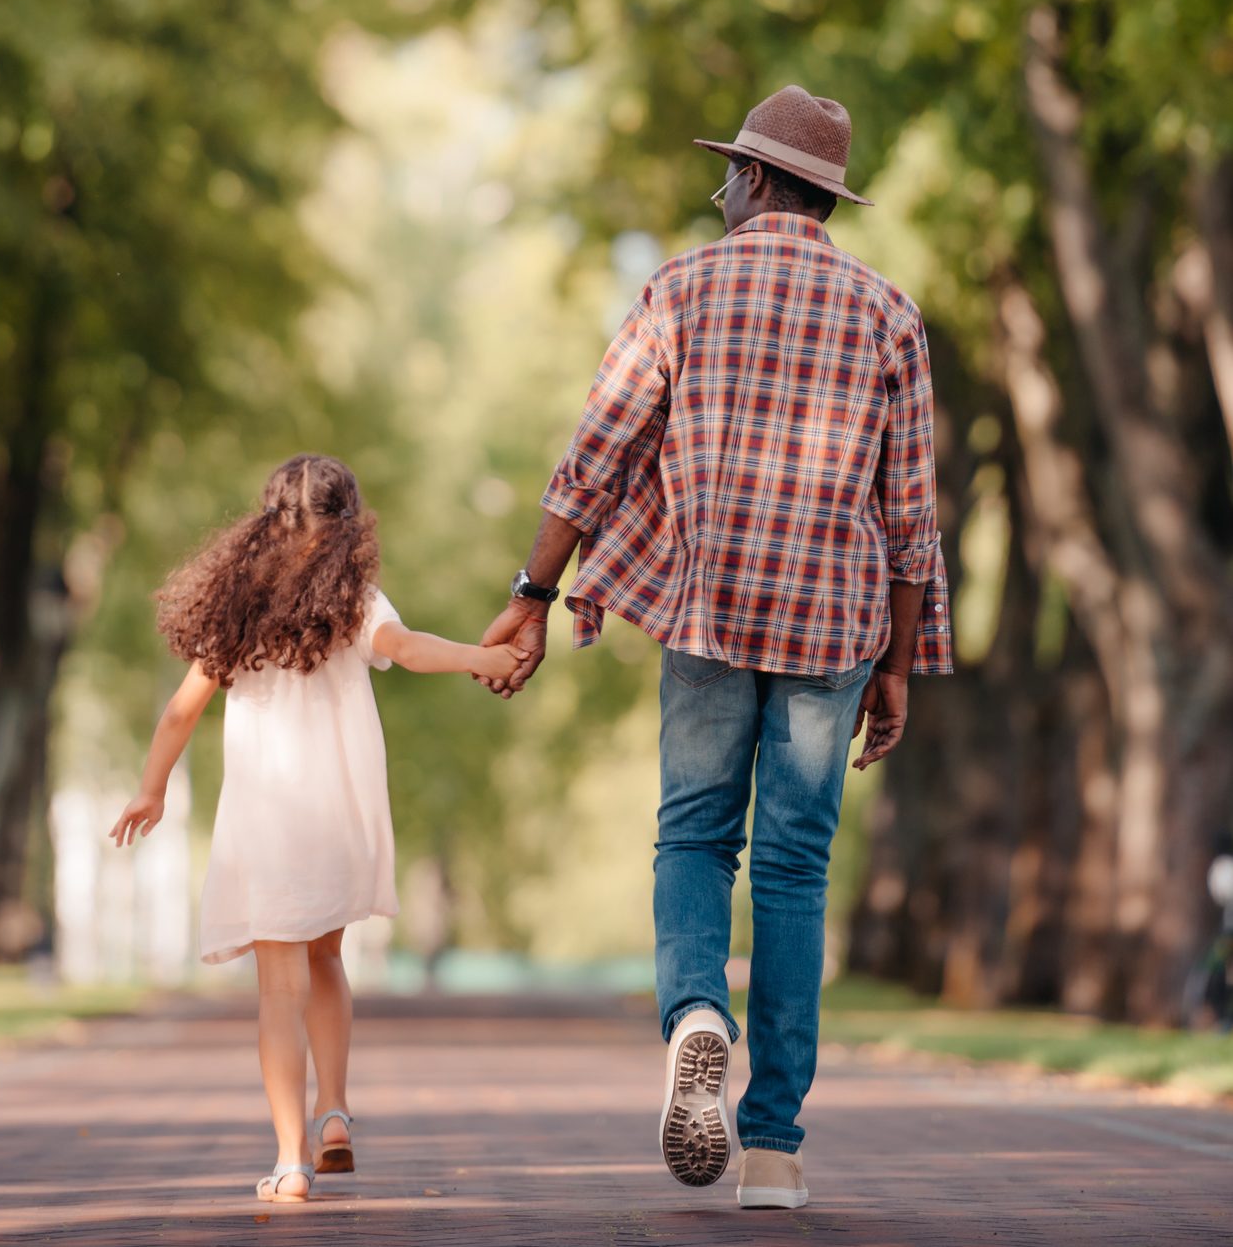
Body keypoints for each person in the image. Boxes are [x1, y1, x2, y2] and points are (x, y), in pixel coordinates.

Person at [480, 86, 954, 1211]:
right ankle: (776, 1150)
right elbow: (912, 512)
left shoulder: (680, 288)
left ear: (752, 180)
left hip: (708, 611)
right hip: (834, 623)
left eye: (725, 175)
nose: (719, 192)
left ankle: (697, 1010)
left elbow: (592, 453)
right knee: (795, 871)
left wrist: (533, 592)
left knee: (696, 836)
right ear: (826, 197)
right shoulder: (889, 312)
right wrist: (898, 662)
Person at [108, 453, 524, 1205]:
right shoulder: (357, 599)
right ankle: (334, 1112)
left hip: (268, 817)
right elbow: (410, 648)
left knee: (279, 987)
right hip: (342, 812)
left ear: (269, 520)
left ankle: (291, 1159)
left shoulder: (238, 605)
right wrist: (483, 657)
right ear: (349, 524)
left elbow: (181, 708)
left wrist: (151, 788)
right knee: (329, 958)